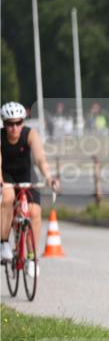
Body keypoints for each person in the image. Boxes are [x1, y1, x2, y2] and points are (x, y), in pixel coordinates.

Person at [1, 102, 60, 277]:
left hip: (27, 175)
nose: (14, 128)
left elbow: (40, 159)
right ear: (4, 124)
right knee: (8, 197)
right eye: (10, 124)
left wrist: (49, 178)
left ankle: (32, 258)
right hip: (6, 175)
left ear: (23, 122)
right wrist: (1, 183)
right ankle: (3, 243)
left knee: (34, 212)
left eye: (18, 123)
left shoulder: (30, 134)